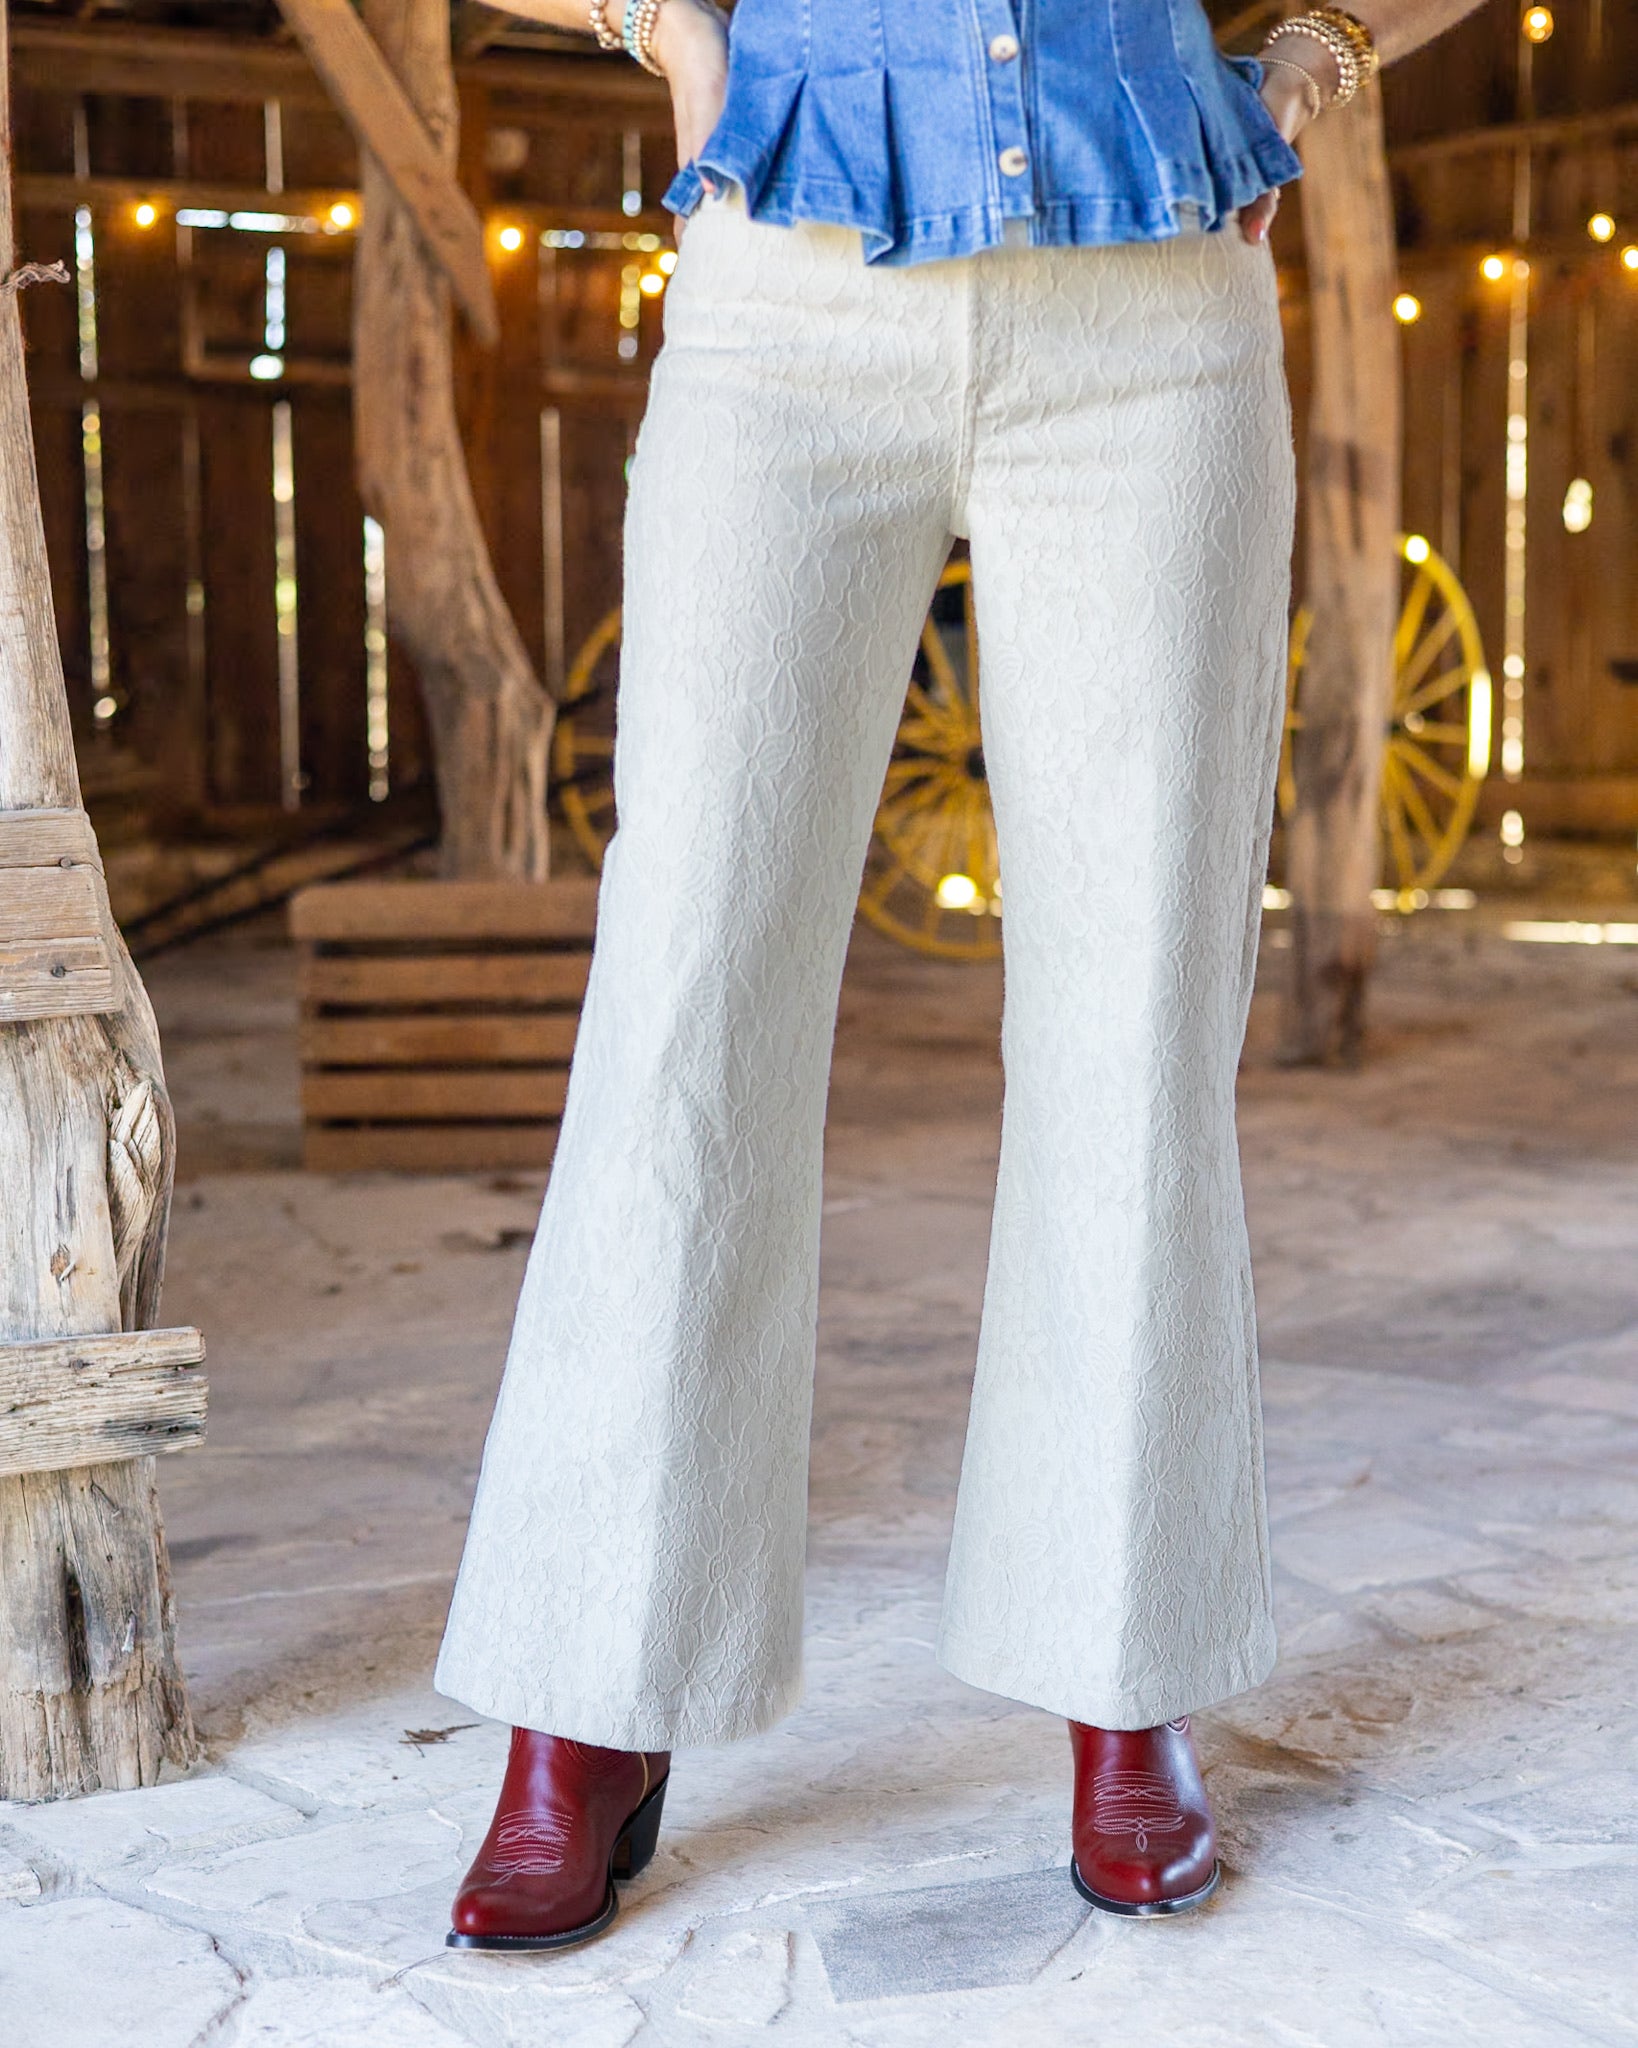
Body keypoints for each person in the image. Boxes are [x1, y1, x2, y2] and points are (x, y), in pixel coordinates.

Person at [435, 0, 1483, 1950]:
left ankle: (1124, 1665)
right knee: (685, 1000)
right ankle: (590, 1682)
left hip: (1148, 305)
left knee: (1135, 1019)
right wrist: (662, 26)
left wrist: (1318, 47)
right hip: (792, 291)